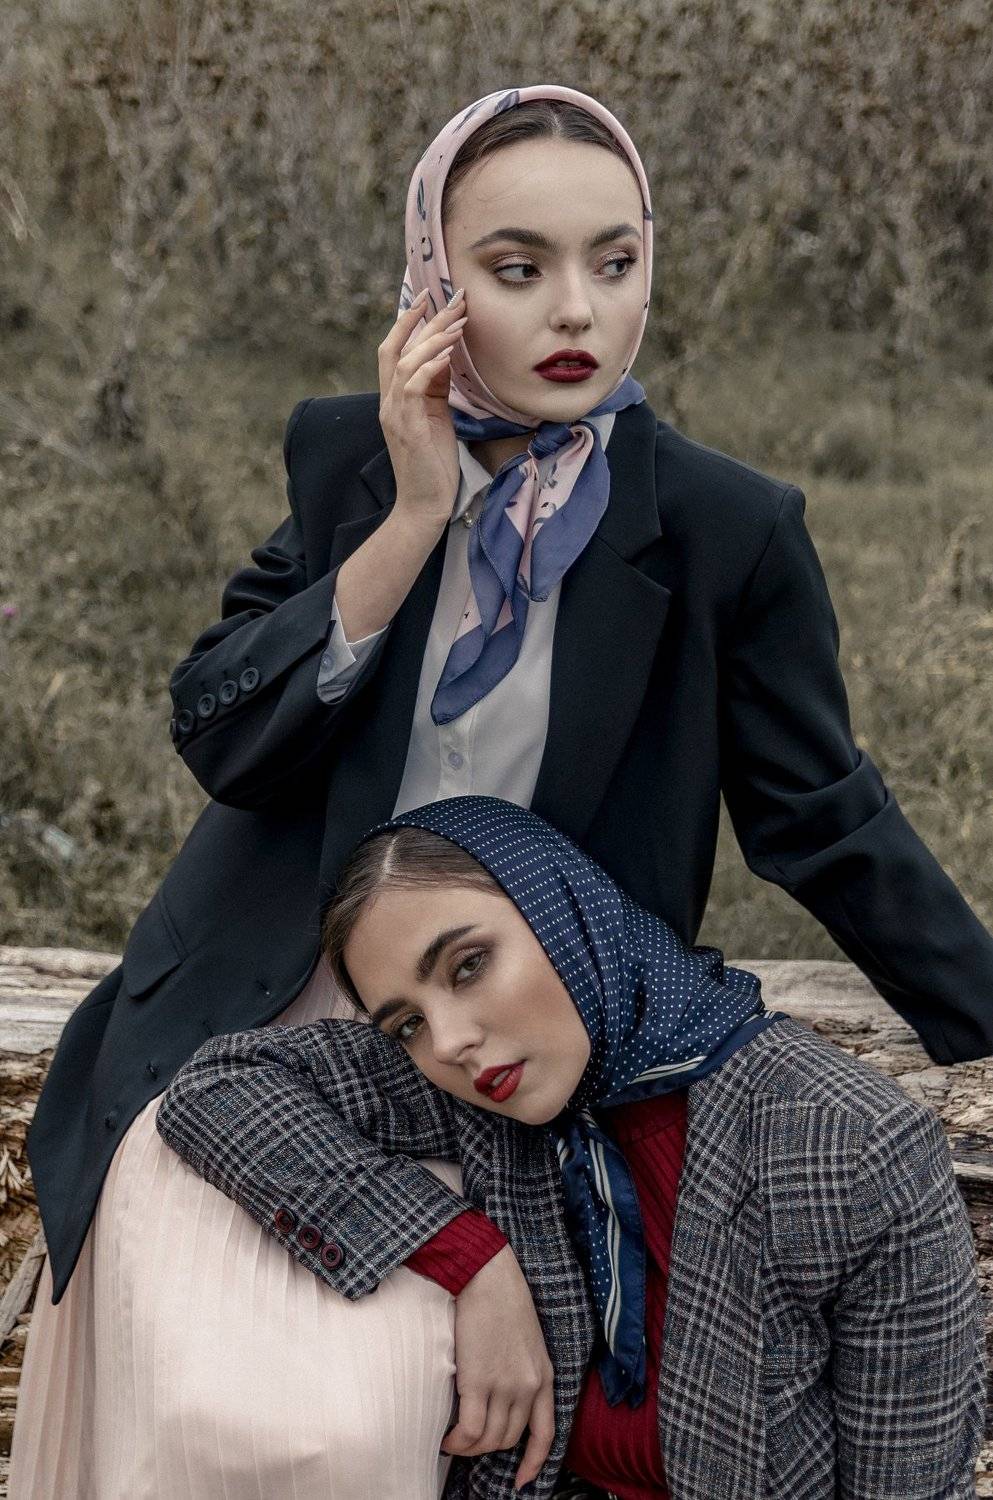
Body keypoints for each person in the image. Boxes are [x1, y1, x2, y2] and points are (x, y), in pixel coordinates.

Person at [12, 81, 993, 1495]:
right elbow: (224, 737)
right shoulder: (349, 457)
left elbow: (822, 819)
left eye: (615, 260)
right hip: (267, 1027)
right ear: (434, 282)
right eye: (517, 269)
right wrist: (416, 515)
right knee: (267, 1417)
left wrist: (982, 1013)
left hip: (511, 1051)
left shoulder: (725, 530)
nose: (576, 311)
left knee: (406, 1415)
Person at [155, 795, 987, 1499]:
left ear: (566, 911)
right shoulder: (491, 1098)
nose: (447, 1041)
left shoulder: (847, 1145)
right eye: (405, 1023)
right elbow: (218, 1087)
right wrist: (469, 1258)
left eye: (468, 965)